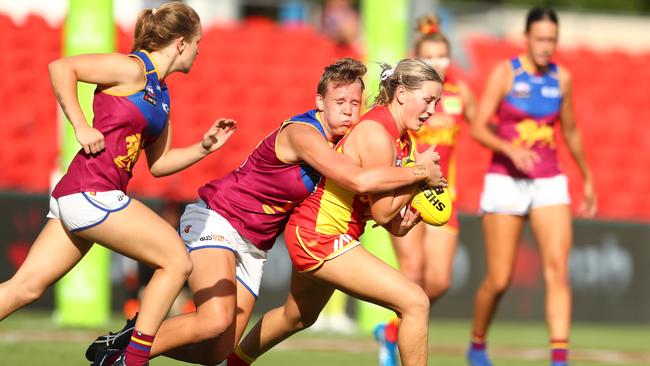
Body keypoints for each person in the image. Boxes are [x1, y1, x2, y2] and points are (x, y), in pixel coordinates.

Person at [87, 57, 444, 365]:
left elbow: (376, 203)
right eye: (340, 101)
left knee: (219, 349)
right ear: (319, 101)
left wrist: (407, 206)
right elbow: (358, 180)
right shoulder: (306, 133)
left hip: (256, 243)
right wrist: (419, 174)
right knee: (214, 320)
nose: (350, 110)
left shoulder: (359, 137)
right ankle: (126, 357)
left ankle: (136, 337)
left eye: (355, 101)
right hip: (220, 217)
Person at [0, 3, 238, 366]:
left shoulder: (162, 92)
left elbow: (159, 165)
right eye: (197, 42)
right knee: (176, 260)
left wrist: (204, 147)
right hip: (92, 192)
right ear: (179, 43)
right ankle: (132, 359)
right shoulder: (132, 68)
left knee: (25, 288)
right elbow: (62, 67)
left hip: (84, 195)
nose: (199, 50)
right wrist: (80, 125)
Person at [229, 58, 444, 366]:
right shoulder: (376, 134)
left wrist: (410, 214)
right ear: (401, 95)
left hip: (322, 233)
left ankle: (233, 362)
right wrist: (420, 176)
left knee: (296, 316)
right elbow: (383, 213)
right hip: (320, 235)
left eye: (436, 102)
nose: (432, 110)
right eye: (428, 99)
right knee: (415, 302)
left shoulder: (403, 141)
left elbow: (391, 222)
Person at [466, 6, 597, 366]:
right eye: (539, 38)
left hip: (549, 182)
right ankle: (477, 343)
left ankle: (559, 359)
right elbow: (477, 126)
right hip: (506, 180)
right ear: (526, 38)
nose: (545, 46)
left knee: (557, 269)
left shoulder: (562, 79)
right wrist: (510, 148)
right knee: (500, 278)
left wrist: (586, 176)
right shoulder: (505, 73)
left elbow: (569, 130)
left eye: (551, 39)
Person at [375, 14, 476, 366]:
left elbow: (483, 126)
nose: (438, 62)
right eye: (429, 56)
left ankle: (389, 330)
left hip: (442, 193)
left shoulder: (461, 95)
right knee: (413, 273)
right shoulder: (408, 101)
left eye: (443, 56)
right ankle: (398, 343)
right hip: (408, 190)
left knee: (440, 280)